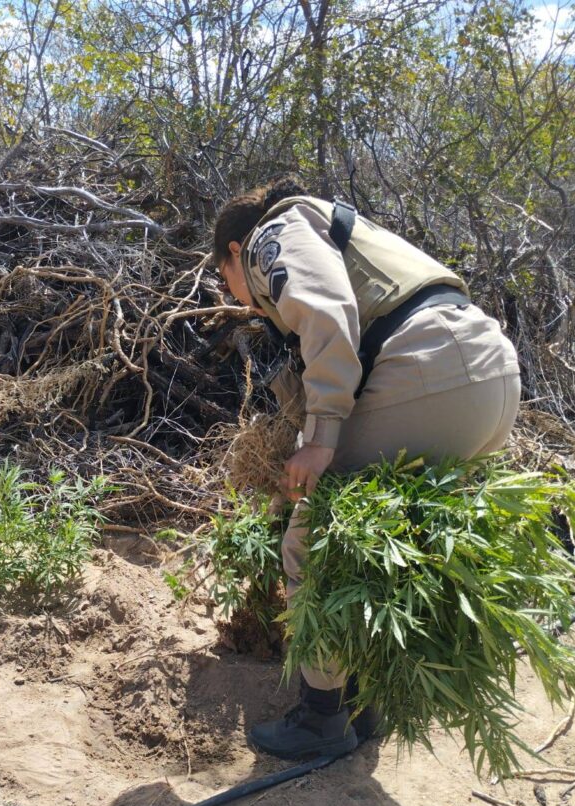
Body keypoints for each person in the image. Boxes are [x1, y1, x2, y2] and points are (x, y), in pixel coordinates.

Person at [213, 175, 521, 761]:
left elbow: (327, 312)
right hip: (491, 376)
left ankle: (321, 718)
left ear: (233, 250)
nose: (236, 295)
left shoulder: (270, 235)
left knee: (315, 539)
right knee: (388, 537)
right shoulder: (330, 226)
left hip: (430, 373)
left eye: (225, 278)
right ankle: (367, 699)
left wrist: (321, 437)